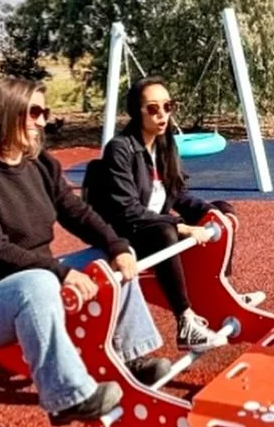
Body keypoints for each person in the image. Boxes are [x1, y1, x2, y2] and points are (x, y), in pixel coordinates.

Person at [0, 78, 171, 425]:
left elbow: (76, 213)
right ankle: (66, 398)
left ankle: (128, 357)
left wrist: (117, 246)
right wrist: (61, 272)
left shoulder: (42, 165)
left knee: (105, 262)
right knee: (37, 283)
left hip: (32, 280)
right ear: (5, 113)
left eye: (44, 112)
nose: (42, 121)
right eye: (34, 112)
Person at [90, 76, 263, 352]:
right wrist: (181, 226)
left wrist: (212, 212)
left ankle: (222, 292)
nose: (162, 115)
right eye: (153, 108)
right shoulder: (120, 149)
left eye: (168, 106)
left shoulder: (165, 144)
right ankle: (185, 322)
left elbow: (179, 194)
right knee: (166, 231)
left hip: (156, 226)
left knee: (220, 212)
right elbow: (128, 210)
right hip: (126, 233)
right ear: (137, 112)